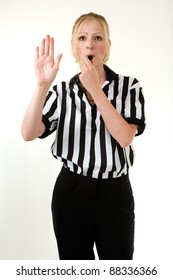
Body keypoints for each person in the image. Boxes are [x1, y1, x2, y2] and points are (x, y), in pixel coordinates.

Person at [21, 12, 146, 260]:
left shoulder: (129, 87)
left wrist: (95, 90)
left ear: (108, 46)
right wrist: (42, 86)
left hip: (115, 192)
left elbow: (125, 138)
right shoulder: (63, 91)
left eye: (98, 37)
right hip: (72, 190)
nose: (90, 44)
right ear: (74, 46)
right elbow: (28, 133)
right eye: (83, 37)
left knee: (119, 268)